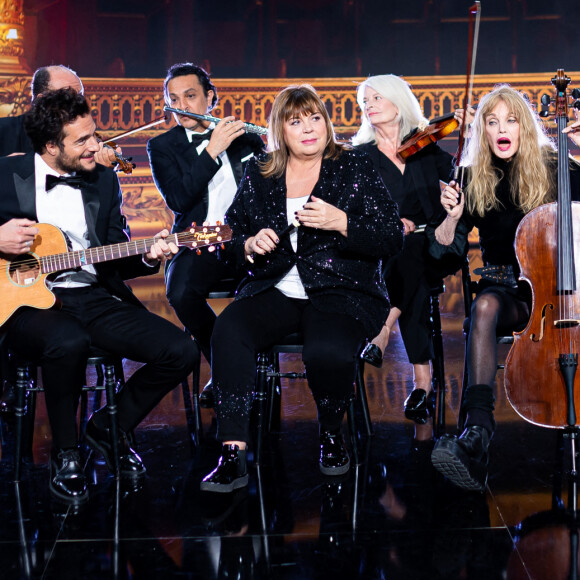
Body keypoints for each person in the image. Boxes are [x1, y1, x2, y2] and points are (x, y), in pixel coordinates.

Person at [200, 84, 403, 492]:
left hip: (340, 289)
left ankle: (331, 432)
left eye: (315, 118)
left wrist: (341, 222)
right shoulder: (260, 171)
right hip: (275, 288)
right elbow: (230, 235)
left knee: (326, 350)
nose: (309, 129)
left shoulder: (355, 166)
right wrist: (248, 244)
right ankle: (233, 451)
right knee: (229, 330)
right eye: (296, 121)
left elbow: (390, 237)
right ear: (281, 129)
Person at [0, 88, 198, 504]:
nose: (97, 146)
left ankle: (109, 427)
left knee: (181, 350)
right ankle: (66, 453)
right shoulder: (5, 174)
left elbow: (114, 253)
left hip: (89, 296)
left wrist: (148, 257)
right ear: (51, 146)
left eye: (95, 135)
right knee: (65, 340)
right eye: (83, 141)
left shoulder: (104, 180)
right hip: (22, 301)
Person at [429, 84, 580, 491]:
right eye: (491, 121)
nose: (501, 128)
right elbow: (443, 255)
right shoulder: (471, 176)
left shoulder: (554, 165)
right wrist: (449, 219)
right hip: (510, 293)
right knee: (482, 309)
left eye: (510, 119)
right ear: (483, 130)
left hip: (563, 294)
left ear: (524, 126)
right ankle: (477, 435)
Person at [147, 63, 265, 409]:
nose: (180, 104)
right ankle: (226, 367)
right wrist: (212, 150)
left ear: (210, 98)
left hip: (245, 239)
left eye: (190, 96)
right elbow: (180, 199)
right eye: (173, 98)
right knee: (180, 292)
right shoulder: (162, 146)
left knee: (270, 285)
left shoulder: (245, 137)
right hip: (196, 240)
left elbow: (269, 190)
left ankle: (246, 362)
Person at [352, 74, 467, 429]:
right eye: (364, 102)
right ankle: (422, 384)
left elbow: (459, 186)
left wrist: (469, 136)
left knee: (415, 247)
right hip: (389, 249)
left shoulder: (427, 148)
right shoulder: (361, 156)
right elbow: (356, 208)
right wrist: (390, 222)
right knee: (408, 263)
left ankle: (383, 329)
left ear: (397, 101)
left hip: (437, 243)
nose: (368, 106)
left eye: (375, 99)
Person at [0, 64, 118, 168]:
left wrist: (101, 173)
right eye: (68, 96)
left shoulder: (86, 141)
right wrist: (7, 166)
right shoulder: (3, 130)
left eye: (80, 96)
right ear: (42, 100)